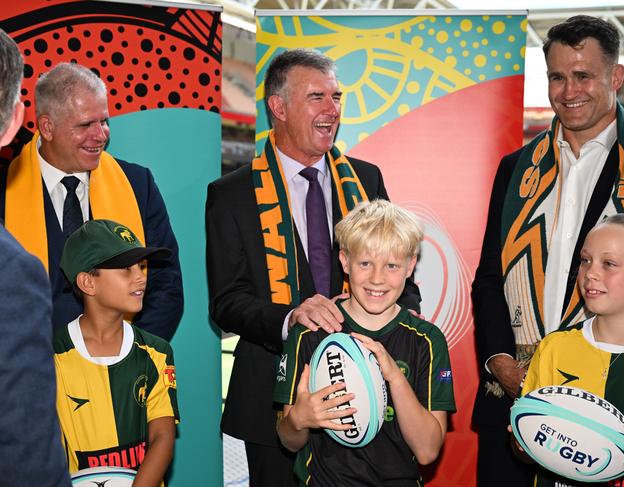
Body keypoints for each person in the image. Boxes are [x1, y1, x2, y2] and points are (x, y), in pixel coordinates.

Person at [206, 48, 421, 486]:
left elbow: (400, 270)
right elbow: (226, 303)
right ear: (278, 107)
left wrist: (409, 316)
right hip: (271, 399)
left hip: (366, 390)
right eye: (317, 97)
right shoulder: (230, 194)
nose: (332, 110)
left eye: (337, 97)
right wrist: (290, 317)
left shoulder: (367, 178)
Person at [472, 15, 624, 486]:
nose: (568, 90)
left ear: (615, 77)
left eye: (583, 75)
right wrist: (498, 361)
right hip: (512, 395)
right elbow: (488, 276)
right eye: (556, 76)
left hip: (616, 402)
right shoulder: (516, 167)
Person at [274, 200, 454, 485]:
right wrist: (299, 420)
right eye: (365, 263)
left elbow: (427, 451)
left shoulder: (427, 340)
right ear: (345, 260)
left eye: (392, 265)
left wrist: (394, 376)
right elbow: (289, 440)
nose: (377, 279)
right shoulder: (311, 332)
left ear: (410, 266)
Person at [0, 62, 183, 341]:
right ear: (47, 127)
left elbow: (165, 283)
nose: (101, 135)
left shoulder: (137, 184)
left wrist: (131, 358)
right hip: (28, 369)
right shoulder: (3, 191)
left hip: (120, 369)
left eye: (104, 121)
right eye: (86, 124)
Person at [520, 213, 624, 486]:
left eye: (609, 264)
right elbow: (524, 450)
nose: (590, 273)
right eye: (585, 260)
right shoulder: (555, 346)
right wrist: (522, 437)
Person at [56, 218, 179, 484]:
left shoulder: (156, 352)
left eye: (141, 266)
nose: (141, 277)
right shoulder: (51, 357)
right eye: (126, 268)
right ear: (88, 283)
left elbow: (163, 436)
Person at [0, 28, 71, 486]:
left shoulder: (137, 182)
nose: (100, 134)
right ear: (18, 121)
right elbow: (28, 468)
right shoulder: (12, 275)